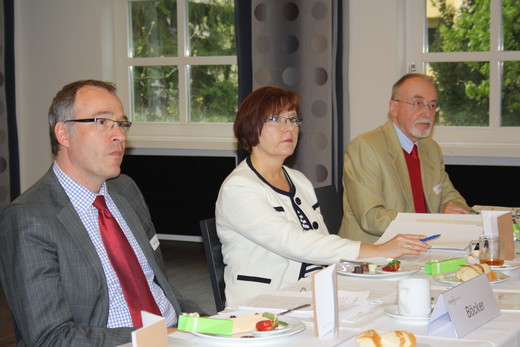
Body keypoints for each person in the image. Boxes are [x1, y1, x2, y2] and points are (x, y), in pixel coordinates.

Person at [0, 80, 196, 346]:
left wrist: (202, 321)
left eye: (121, 124)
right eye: (102, 122)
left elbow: (157, 284)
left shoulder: (125, 190)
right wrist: (158, 337)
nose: (119, 135)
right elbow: (50, 338)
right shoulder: (29, 218)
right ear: (64, 134)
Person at [215, 86, 431, 306]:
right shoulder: (239, 188)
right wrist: (377, 250)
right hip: (261, 305)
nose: (289, 128)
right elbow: (294, 242)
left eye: (293, 119)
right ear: (252, 126)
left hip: (310, 294)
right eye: (277, 120)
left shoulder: (298, 180)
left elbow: (321, 240)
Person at [338, 73, 469, 244]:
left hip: (424, 247)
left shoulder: (431, 148)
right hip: (374, 255)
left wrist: (455, 211)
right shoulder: (366, 147)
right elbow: (371, 217)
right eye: (417, 104)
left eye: (432, 105)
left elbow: (451, 197)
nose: (427, 113)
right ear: (394, 109)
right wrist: (433, 223)